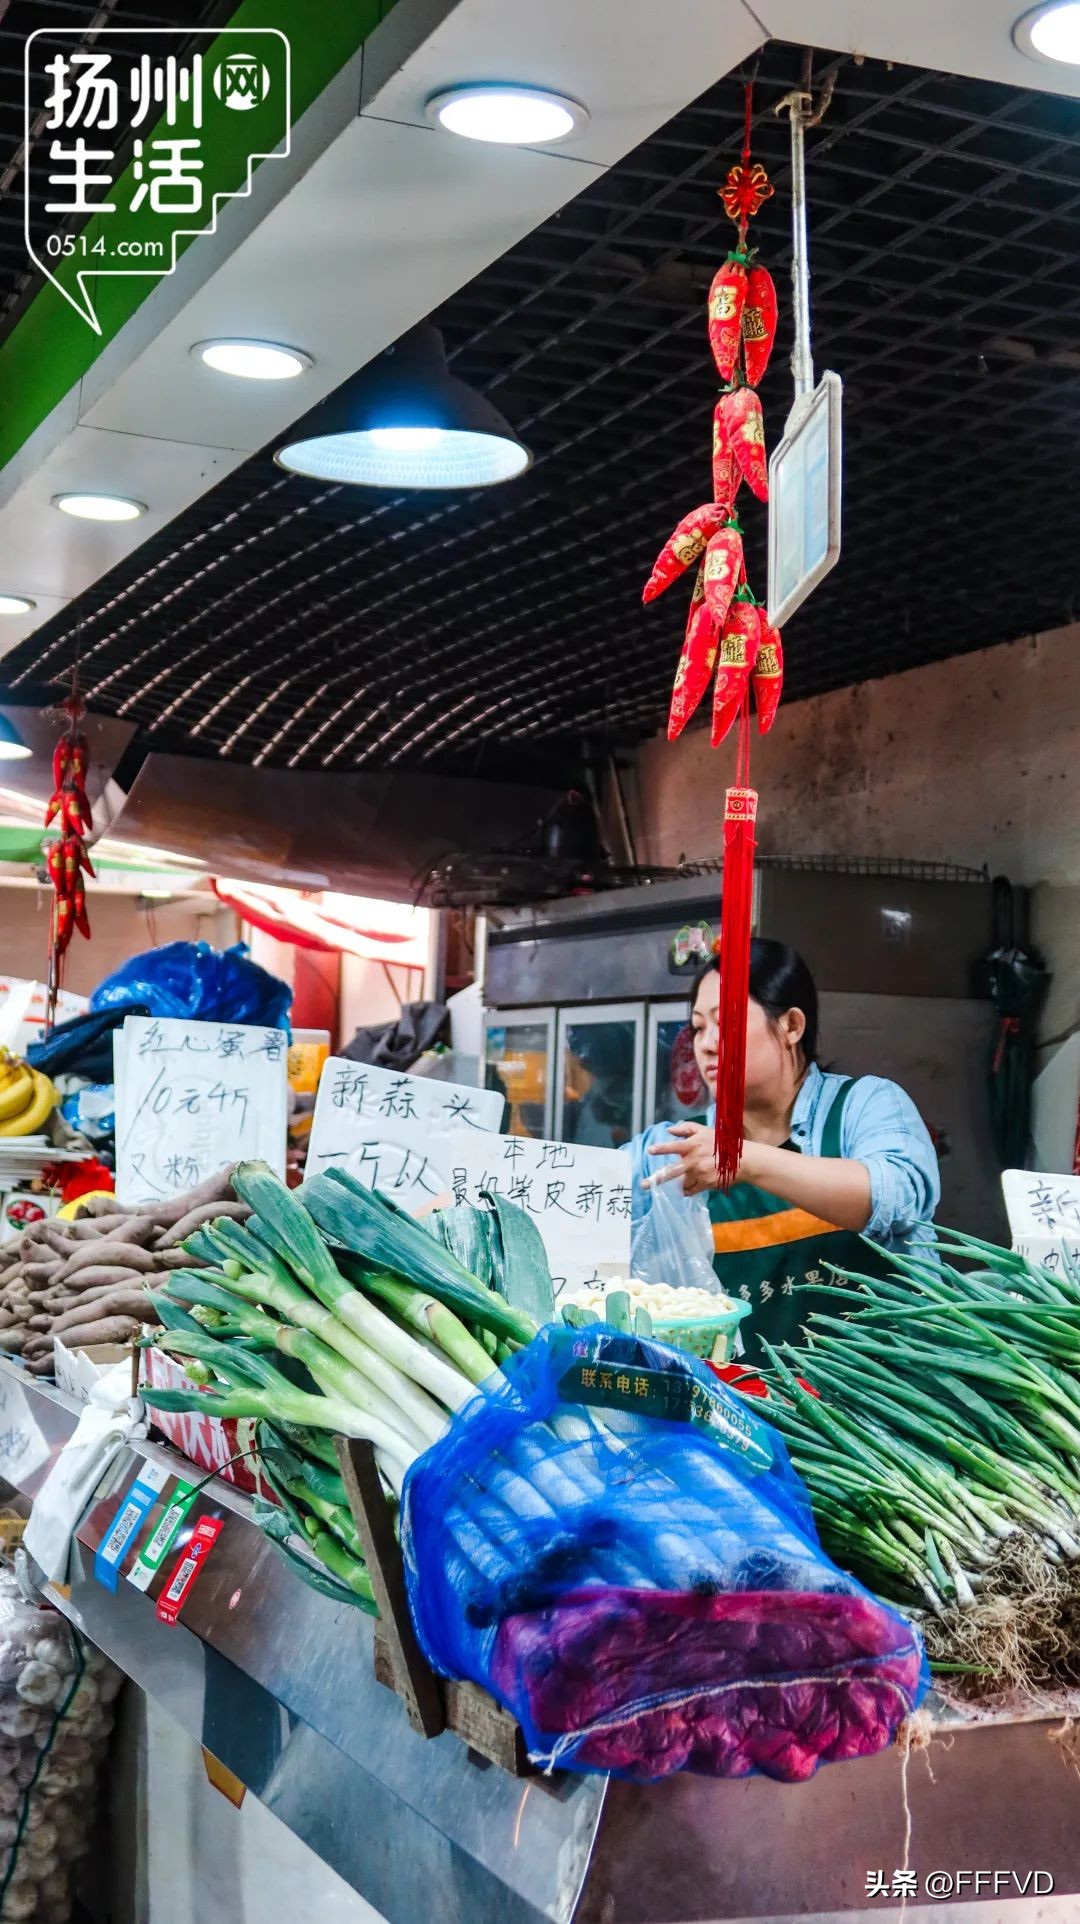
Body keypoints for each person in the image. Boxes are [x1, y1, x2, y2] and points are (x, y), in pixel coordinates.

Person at [628, 940, 940, 1365]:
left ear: (792, 1026)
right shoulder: (676, 1147)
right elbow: (584, 1197)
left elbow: (892, 1198)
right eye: (699, 1027)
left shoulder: (865, 1106)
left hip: (874, 1416)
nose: (707, 1044)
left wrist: (743, 1160)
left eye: (728, 1022)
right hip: (741, 1416)